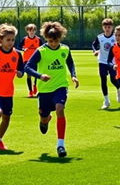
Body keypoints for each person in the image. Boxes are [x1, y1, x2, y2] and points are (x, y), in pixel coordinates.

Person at [24, 21, 79, 157]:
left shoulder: (65, 49)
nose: (53, 43)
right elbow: (27, 67)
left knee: (60, 109)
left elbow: (70, 62)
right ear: (46, 39)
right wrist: (40, 75)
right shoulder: (41, 51)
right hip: (44, 90)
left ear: (60, 38)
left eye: (56, 41)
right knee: (43, 117)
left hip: (60, 86)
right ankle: (45, 119)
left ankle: (60, 145)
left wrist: (73, 76)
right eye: (50, 41)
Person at [92, 18, 120, 109]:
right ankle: (106, 101)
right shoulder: (100, 37)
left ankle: (119, 90)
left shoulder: (115, 37)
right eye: (105, 27)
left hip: (112, 62)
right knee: (103, 80)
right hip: (102, 61)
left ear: (112, 27)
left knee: (113, 80)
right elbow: (93, 44)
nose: (107, 29)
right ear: (102, 27)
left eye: (109, 27)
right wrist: (95, 50)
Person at [18, 24, 43, 97]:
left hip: (36, 60)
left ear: (35, 31)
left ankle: (35, 85)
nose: (31, 32)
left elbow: (43, 47)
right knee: (28, 75)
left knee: (36, 74)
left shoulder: (38, 39)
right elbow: (19, 46)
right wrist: (23, 49)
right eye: (30, 30)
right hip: (26, 60)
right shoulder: (25, 39)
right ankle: (30, 91)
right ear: (27, 31)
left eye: (33, 30)